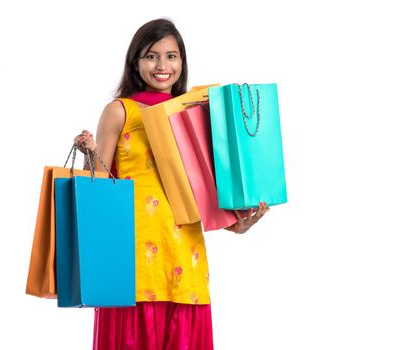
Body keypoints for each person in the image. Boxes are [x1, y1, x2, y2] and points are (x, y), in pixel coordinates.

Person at [74, 18, 268, 350]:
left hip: (185, 260)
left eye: (171, 56)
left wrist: (240, 223)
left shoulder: (196, 113)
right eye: (151, 56)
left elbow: (204, 193)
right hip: (133, 264)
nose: (162, 65)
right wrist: (89, 153)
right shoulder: (120, 111)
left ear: (182, 61)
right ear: (135, 62)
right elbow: (97, 191)